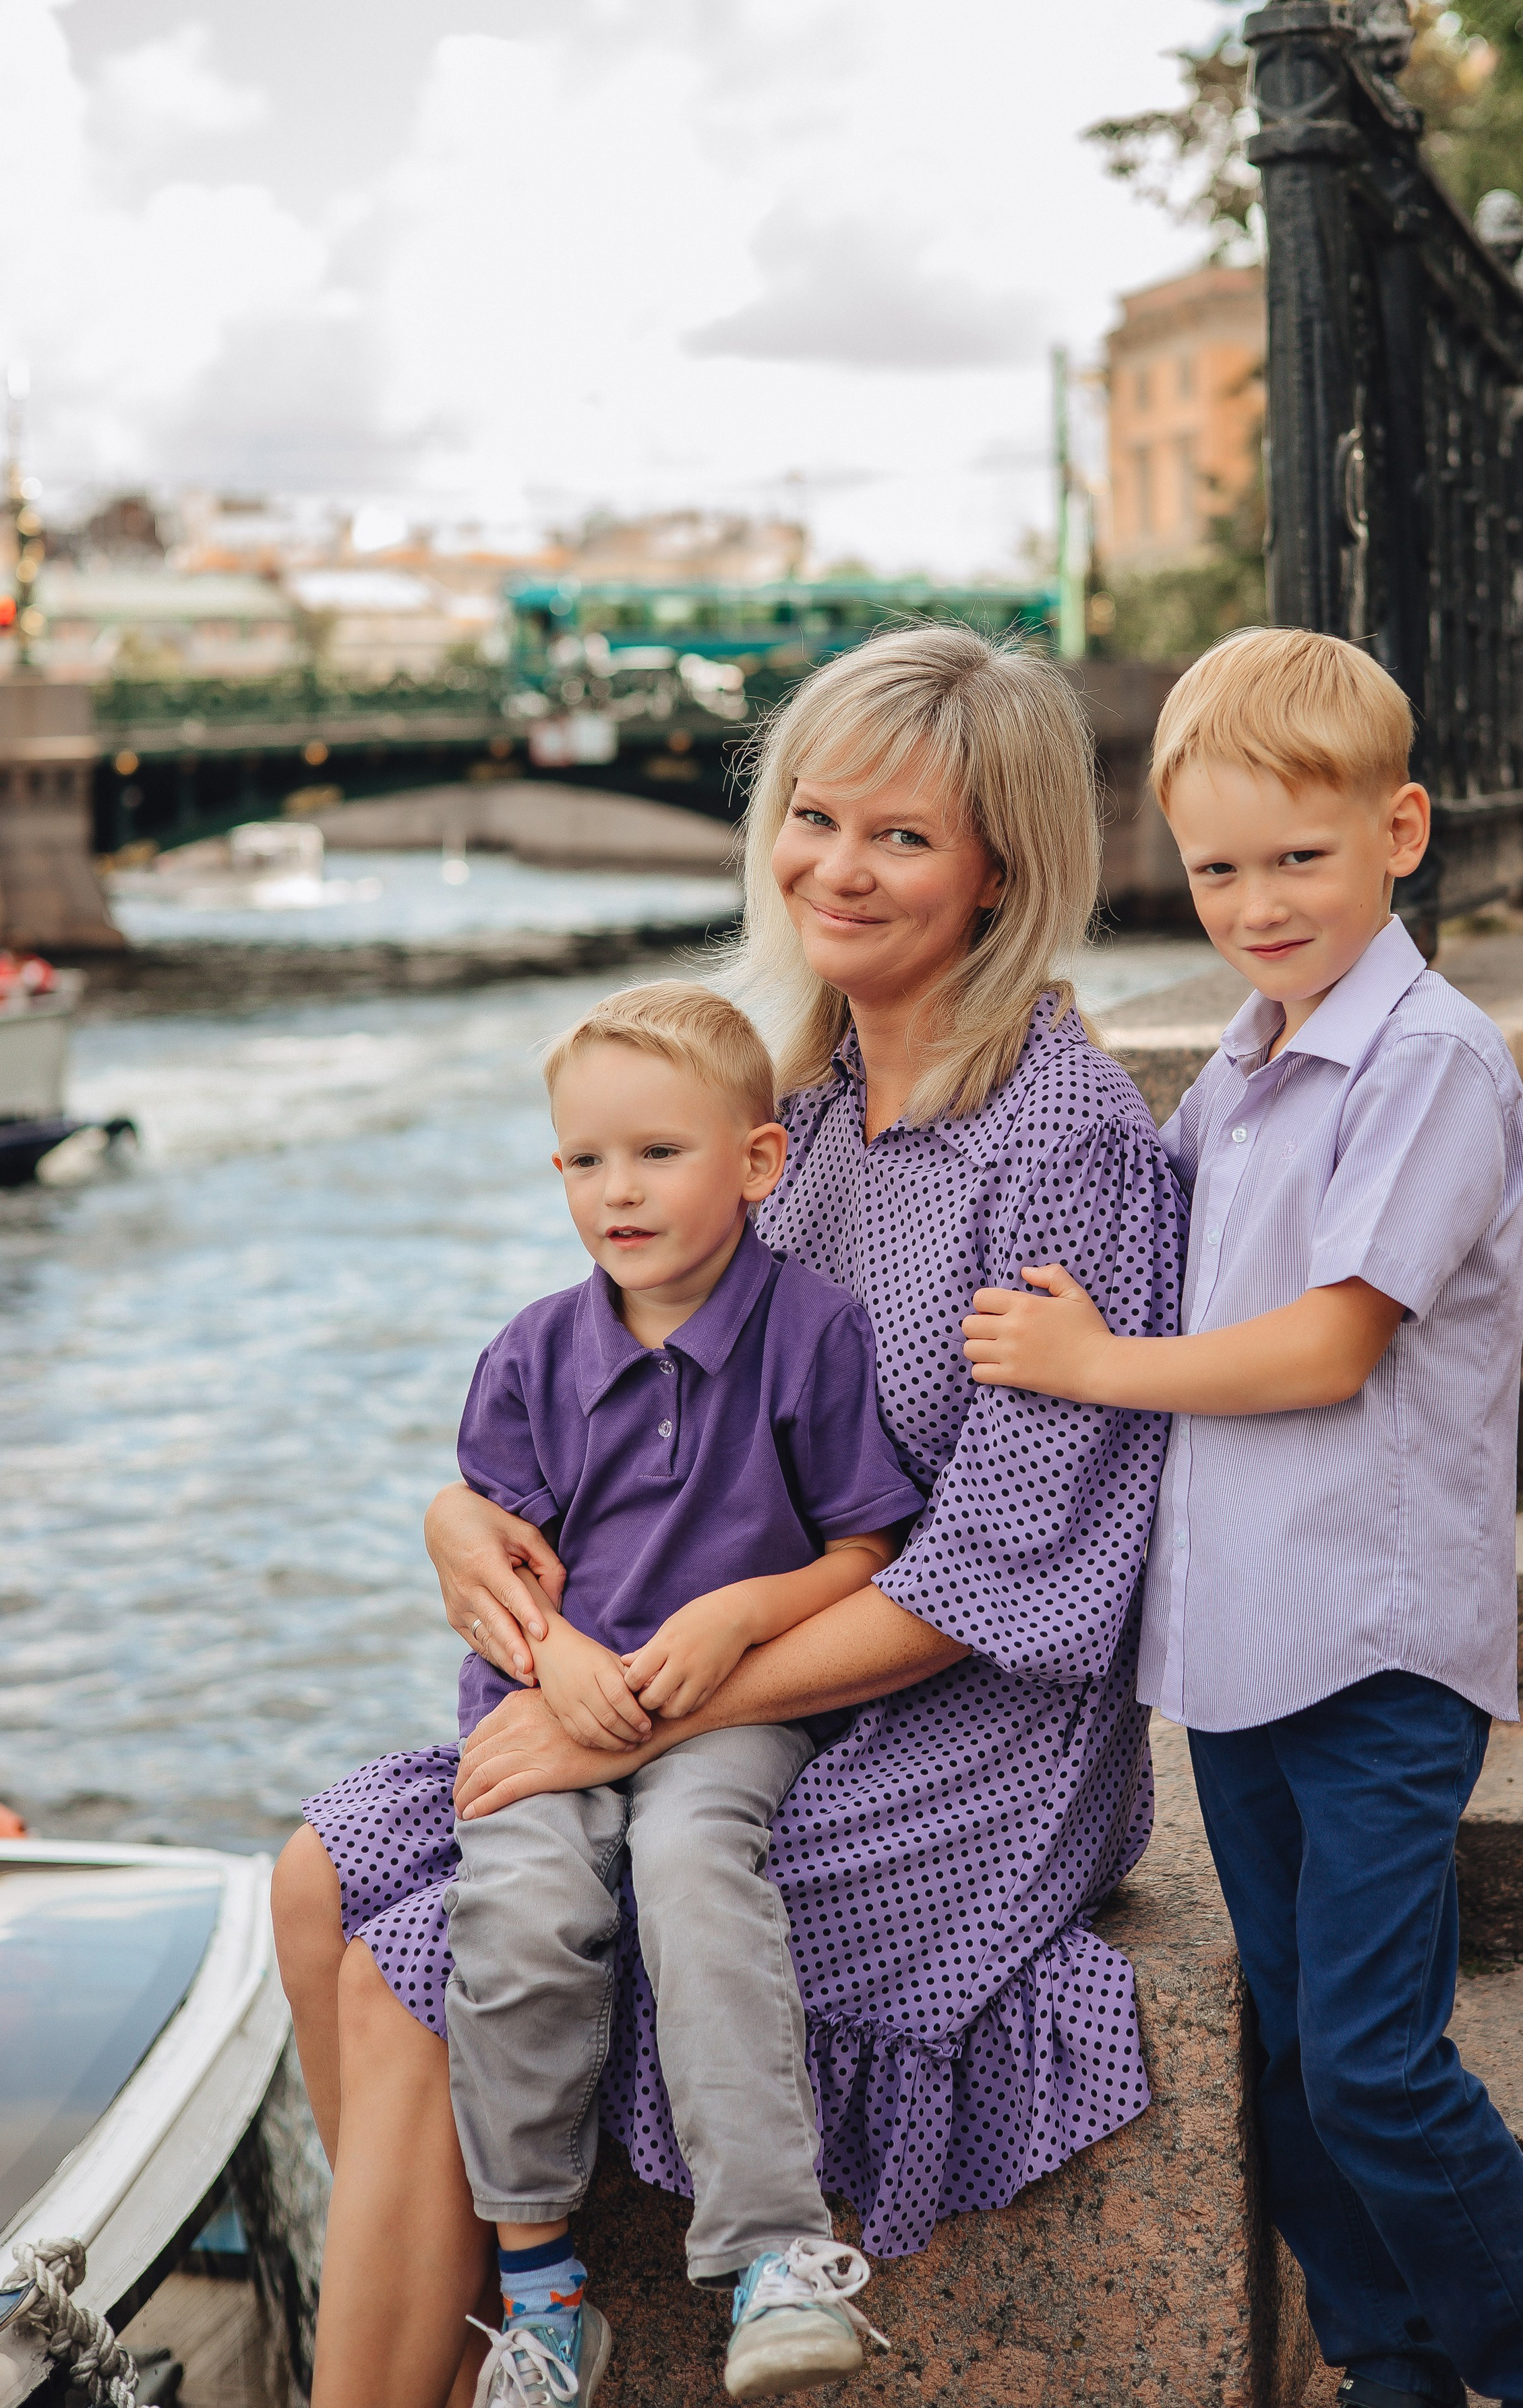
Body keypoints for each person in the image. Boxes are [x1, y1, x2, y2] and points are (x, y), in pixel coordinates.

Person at [270, 626, 1187, 2408]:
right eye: (815, 816)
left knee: (415, 1964)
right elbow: (612, 1396)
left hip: (955, 1731)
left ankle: (432, 2359)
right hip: (723, 1680)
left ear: (1003, 870)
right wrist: (461, 1524)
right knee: (314, 1883)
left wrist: (630, 1702)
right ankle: (491, 2314)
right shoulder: (795, 1102)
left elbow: (998, 1574)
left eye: (903, 838)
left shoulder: (1058, 1141)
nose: (836, 867)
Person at [960, 628, 1523, 2408]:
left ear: (1402, 831)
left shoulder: (1422, 1064)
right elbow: (1141, 1202)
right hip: (1239, 1655)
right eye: (1216, 870)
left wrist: (1093, 1367)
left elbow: (1329, 1346)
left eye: (1300, 858)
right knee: (1290, 2068)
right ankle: (1394, 2376)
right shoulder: (1256, 1059)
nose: (1258, 905)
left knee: (1372, 2066)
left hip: (1373, 1654)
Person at [435, 980, 928, 2405]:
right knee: (519, 1913)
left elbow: (864, 1548)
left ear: (758, 1162)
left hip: (733, 1711)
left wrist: (740, 1610)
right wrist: (562, 1661)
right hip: (556, 1709)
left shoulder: (812, 1332)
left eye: (657, 1153)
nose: (617, 1191)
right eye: (586, 1160)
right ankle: (540, 2298)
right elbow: (499, 1562)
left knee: (691, 1869)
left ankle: (776, 2255)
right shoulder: (532, 1353)